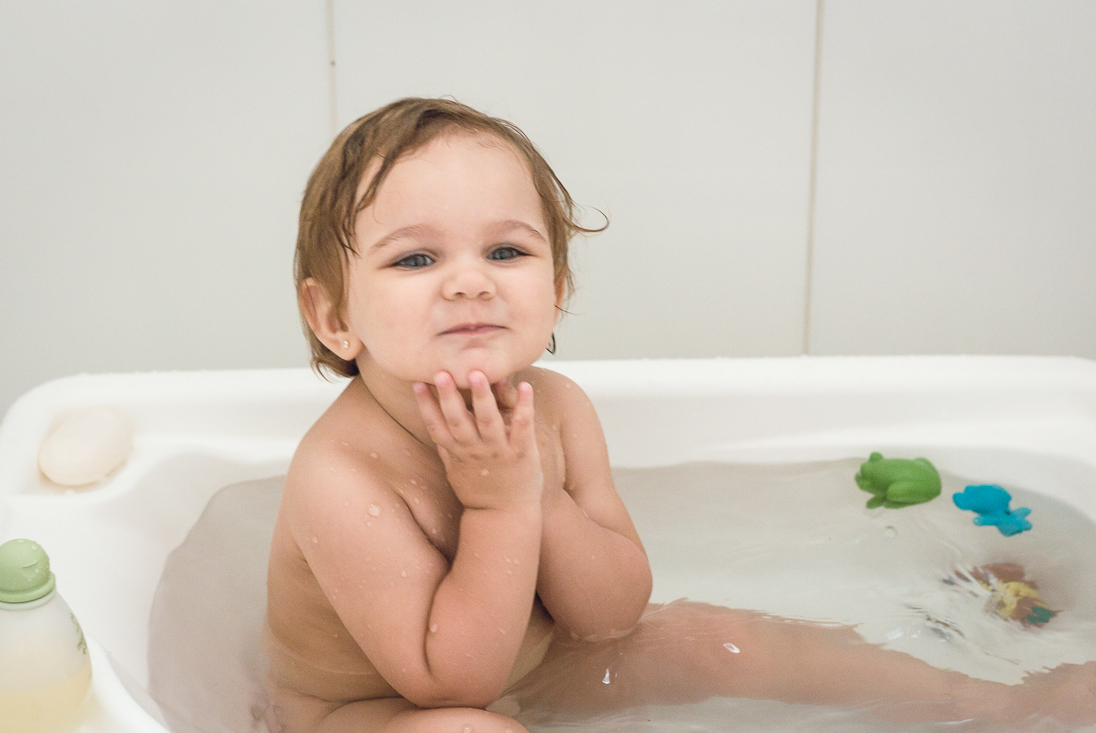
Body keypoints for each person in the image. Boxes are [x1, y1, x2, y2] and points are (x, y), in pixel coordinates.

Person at [262, 97, 1096, 733]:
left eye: (507, 251)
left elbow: (611, 612)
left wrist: (537, 496)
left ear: (555, 290)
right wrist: (496, 503)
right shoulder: (341, 476)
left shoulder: (556, 410)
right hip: (375, 715)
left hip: (538, 669)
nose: (471, 280)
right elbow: (454, 682)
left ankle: (991, 702)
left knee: (711, 634)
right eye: (417, 257)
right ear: (333, 315)